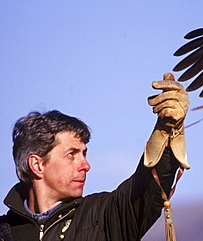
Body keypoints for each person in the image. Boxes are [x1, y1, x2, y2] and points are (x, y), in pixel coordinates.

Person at [0, 73, 190, 241]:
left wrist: (167, 131)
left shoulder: (102, 218)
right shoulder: (4, 232)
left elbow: (144, 191)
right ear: (37, 165)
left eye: (84, 153)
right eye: (71, 154)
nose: (86, 165)